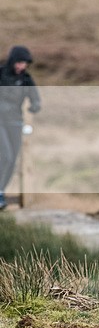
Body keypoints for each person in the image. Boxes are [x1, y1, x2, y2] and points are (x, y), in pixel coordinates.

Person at [0, 45, 41, 210]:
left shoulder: (26, 79)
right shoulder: (1, 73)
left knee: (12, 161)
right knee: (6, 155)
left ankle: (1, 191)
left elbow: (36, 99)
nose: (21, 66)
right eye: (18, 63)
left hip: (15, 122)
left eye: (24, 64)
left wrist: (35, 106)